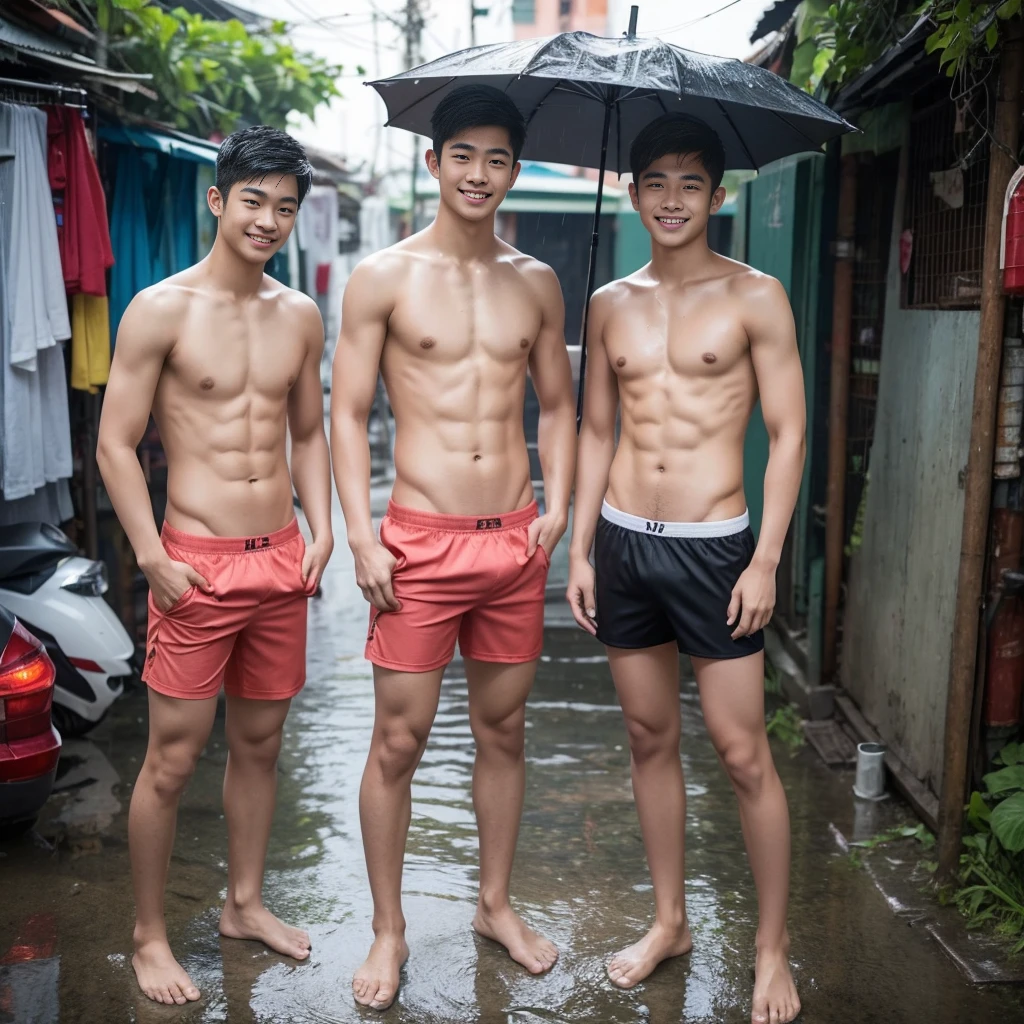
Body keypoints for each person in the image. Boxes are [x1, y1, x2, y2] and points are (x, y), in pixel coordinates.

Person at [332, 84, 576, 1011]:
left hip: (514, 540)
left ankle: (494, 906)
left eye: (498, 158)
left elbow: (559, 406)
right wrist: (361, 533)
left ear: (515, 171)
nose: (480, 173)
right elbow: (347, 416)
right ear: (433, 163)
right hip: (419, 545)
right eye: (463, 155)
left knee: (503, 731)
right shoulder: (383, 278)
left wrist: (556, 506)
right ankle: (389, 931)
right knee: (399, 738)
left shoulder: (537, 283)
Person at [565, 113, 805, 1024]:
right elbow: (596, 431)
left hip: (717, 549)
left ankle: (771, 949)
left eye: (690, 182)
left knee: (744, 755)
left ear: (717, 194)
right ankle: (669, 922)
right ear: (631, 192)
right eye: (656, 180)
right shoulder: (607, 303)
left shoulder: (755, 296)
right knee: (647, 739)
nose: (672, 197)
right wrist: (583, 549)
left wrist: (767, 559)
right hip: (627, 543)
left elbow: (786, 435)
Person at [97, 126, 333, 1007]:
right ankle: (149, 936)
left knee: (260, 744)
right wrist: (152, 558)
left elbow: (306, 432)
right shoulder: (160, 308)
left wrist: (324, 526)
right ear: (217, 200)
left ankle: (243, 903)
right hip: (192, 563)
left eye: (284, 206)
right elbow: (116, 446)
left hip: (278, 560)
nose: (268, 219)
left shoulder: (299, 315)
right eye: (253, 201)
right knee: (171, 756)